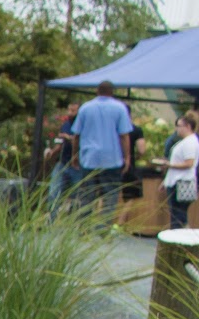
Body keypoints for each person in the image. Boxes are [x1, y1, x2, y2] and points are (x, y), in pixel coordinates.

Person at [68, 80, 135, 220]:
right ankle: (104, 229)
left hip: (89, 159)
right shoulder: (120, 108)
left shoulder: (85, 108)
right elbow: (124, 136)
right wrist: (127, 157)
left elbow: (76, 136)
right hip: (111, 159)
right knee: (110, 196)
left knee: (87, 195)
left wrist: (75, 155)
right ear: (112, 92)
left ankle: (83, 228)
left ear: (97, 91)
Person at [155, 110, 199, 230]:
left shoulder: (191, 142)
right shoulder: (184, 142)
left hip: (182, 182)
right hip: (175, 180)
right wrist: (166, 181)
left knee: (178, 215)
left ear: (187, 126)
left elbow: (189, 163)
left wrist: (169, 165)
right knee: (177, 214)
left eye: (179, 126)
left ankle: (179, 239)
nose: (177, 129)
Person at [39, 100, 79, 216]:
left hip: (77, 165)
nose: (70, 113)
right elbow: (61, 143)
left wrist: (69, 138)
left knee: (78, 195)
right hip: (63, 162)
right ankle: (51, 220)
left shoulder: (82, 124)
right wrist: (52, 152)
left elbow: (81, 141)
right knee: (54, 192)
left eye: (73, 110)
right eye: (69, 110)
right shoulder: (66, 125)